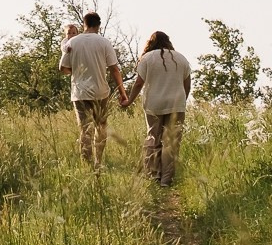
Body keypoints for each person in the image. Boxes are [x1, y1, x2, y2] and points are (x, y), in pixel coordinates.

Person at [124, 30, 191, 186]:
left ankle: (153, 175)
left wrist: (129, 100)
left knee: (153, 138)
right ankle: (166, 179)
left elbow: (139, 83)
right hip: (176, 104)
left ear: (151, 43)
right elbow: (187, 85)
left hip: (154, 104)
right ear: (168, 42)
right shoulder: (181, 58)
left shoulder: (147, 58)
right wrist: (182, 101)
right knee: (171, 142)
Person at [58, 12, 123, 167]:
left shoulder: (72, 42)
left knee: (85, 129)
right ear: (98, 25)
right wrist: (123, 93)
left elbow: (62, 68)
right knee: (101, 127)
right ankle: (98, 161)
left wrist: (75, 72)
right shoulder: (104, 42)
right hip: (100, 92)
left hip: (80, 93)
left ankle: (86, 165)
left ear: (84, 24)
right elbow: (114, 69)